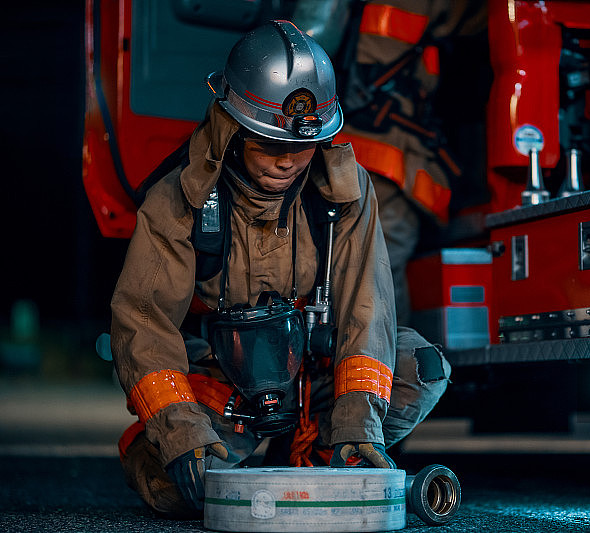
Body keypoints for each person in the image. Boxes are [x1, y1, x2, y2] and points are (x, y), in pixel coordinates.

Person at [110, 21, 450, 517]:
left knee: (421, 367)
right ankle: (163, 449)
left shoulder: (345, 193)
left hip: (312, 377)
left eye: (301, 146)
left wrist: (358, 424)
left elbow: (367, 311)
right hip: (226, 385)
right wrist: (181, 433)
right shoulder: (180, 198)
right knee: (180, 488)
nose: (287, 162)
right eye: (270, 144)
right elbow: (144, 321)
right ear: (234, 128)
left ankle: (319, 459)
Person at [334, 0, 487, 326]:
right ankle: (390, 356)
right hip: (386, 157)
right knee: (381, 266)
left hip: (343, 147)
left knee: (353, 264)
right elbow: (483, 17)